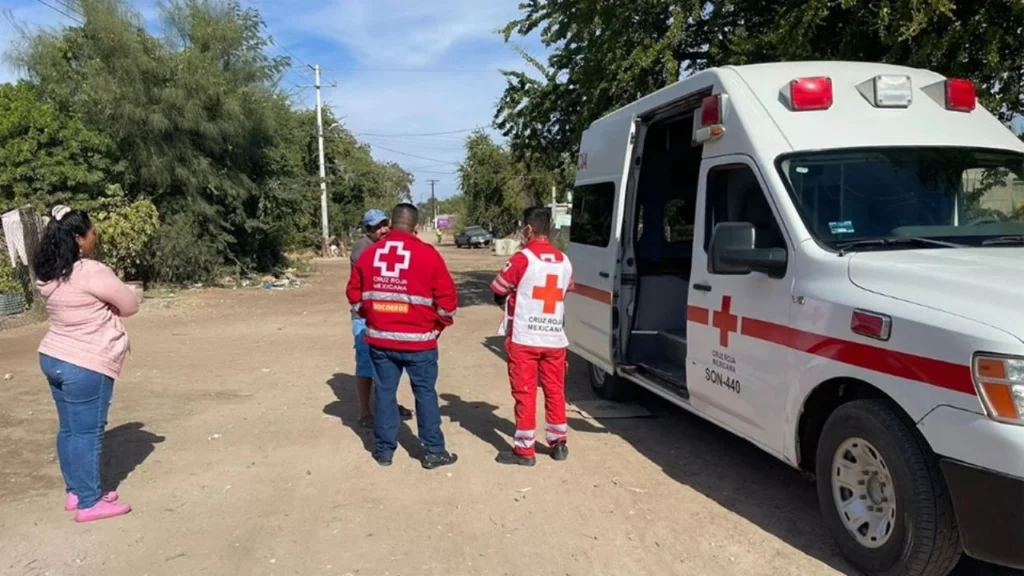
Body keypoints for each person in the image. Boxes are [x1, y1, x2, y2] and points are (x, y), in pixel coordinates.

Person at [33, 205, 138, 522]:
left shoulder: (48, 272)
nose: (95, 237)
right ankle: (90, 503)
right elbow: (130, 304)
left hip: (54, 355)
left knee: (69, 430)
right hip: (86, 360)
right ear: (79, 238)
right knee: (88, 434)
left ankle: (77, 491)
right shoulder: (91, 271)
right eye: (92, 232)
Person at [346, 203, 459, 469]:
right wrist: (437, 326)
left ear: (391, 225)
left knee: (385, 393)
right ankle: (433, 451)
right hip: (419, 342)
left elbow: (354, 295)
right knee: (425, 394)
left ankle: (384, 451)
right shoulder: (428, 255)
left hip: (381, 340)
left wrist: (371, 316)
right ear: (416, 228)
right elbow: (448, 303)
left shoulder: (369, 255)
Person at [490, 207, 574, 466]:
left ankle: (525, 449)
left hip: (525, 338)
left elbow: (498, 291)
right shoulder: (564, 260)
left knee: (525, 392)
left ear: (528, 229)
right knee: (555, 390)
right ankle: (558, 443)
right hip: (554, 338)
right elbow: (566, 291)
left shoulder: (521, 259)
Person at [349, 209, 413, 428]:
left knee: (391, 365)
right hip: (365, 317)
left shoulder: (390, 245)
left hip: (389, 313)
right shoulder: (363, 249)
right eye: (377, 227)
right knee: (366, 364)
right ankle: (364, 412)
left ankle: (388, 404)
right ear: (368, 230)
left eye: (385, 224)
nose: (383, 230)